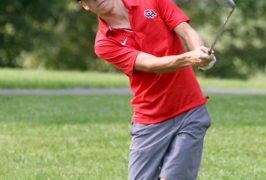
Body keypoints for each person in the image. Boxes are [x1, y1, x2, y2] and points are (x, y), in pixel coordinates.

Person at [77, 0, 216, 179]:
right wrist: (190, 57)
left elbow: (187, 32)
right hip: (150, 119)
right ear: (85, 5)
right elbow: (152, 64)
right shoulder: (104, 43)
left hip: (190, 110)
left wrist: (200, 52)